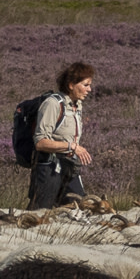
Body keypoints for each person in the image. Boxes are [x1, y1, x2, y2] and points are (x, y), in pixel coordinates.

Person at [28, 62, 93, 208]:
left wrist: (72, 149)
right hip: (48, 168)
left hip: (69, 167)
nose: (90, 89)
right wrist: (72, 146)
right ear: (71, 85)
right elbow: (40, 142)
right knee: (40, 215)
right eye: (85, 85)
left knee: (80, 209)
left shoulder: (77, 105)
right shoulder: (53, 104)